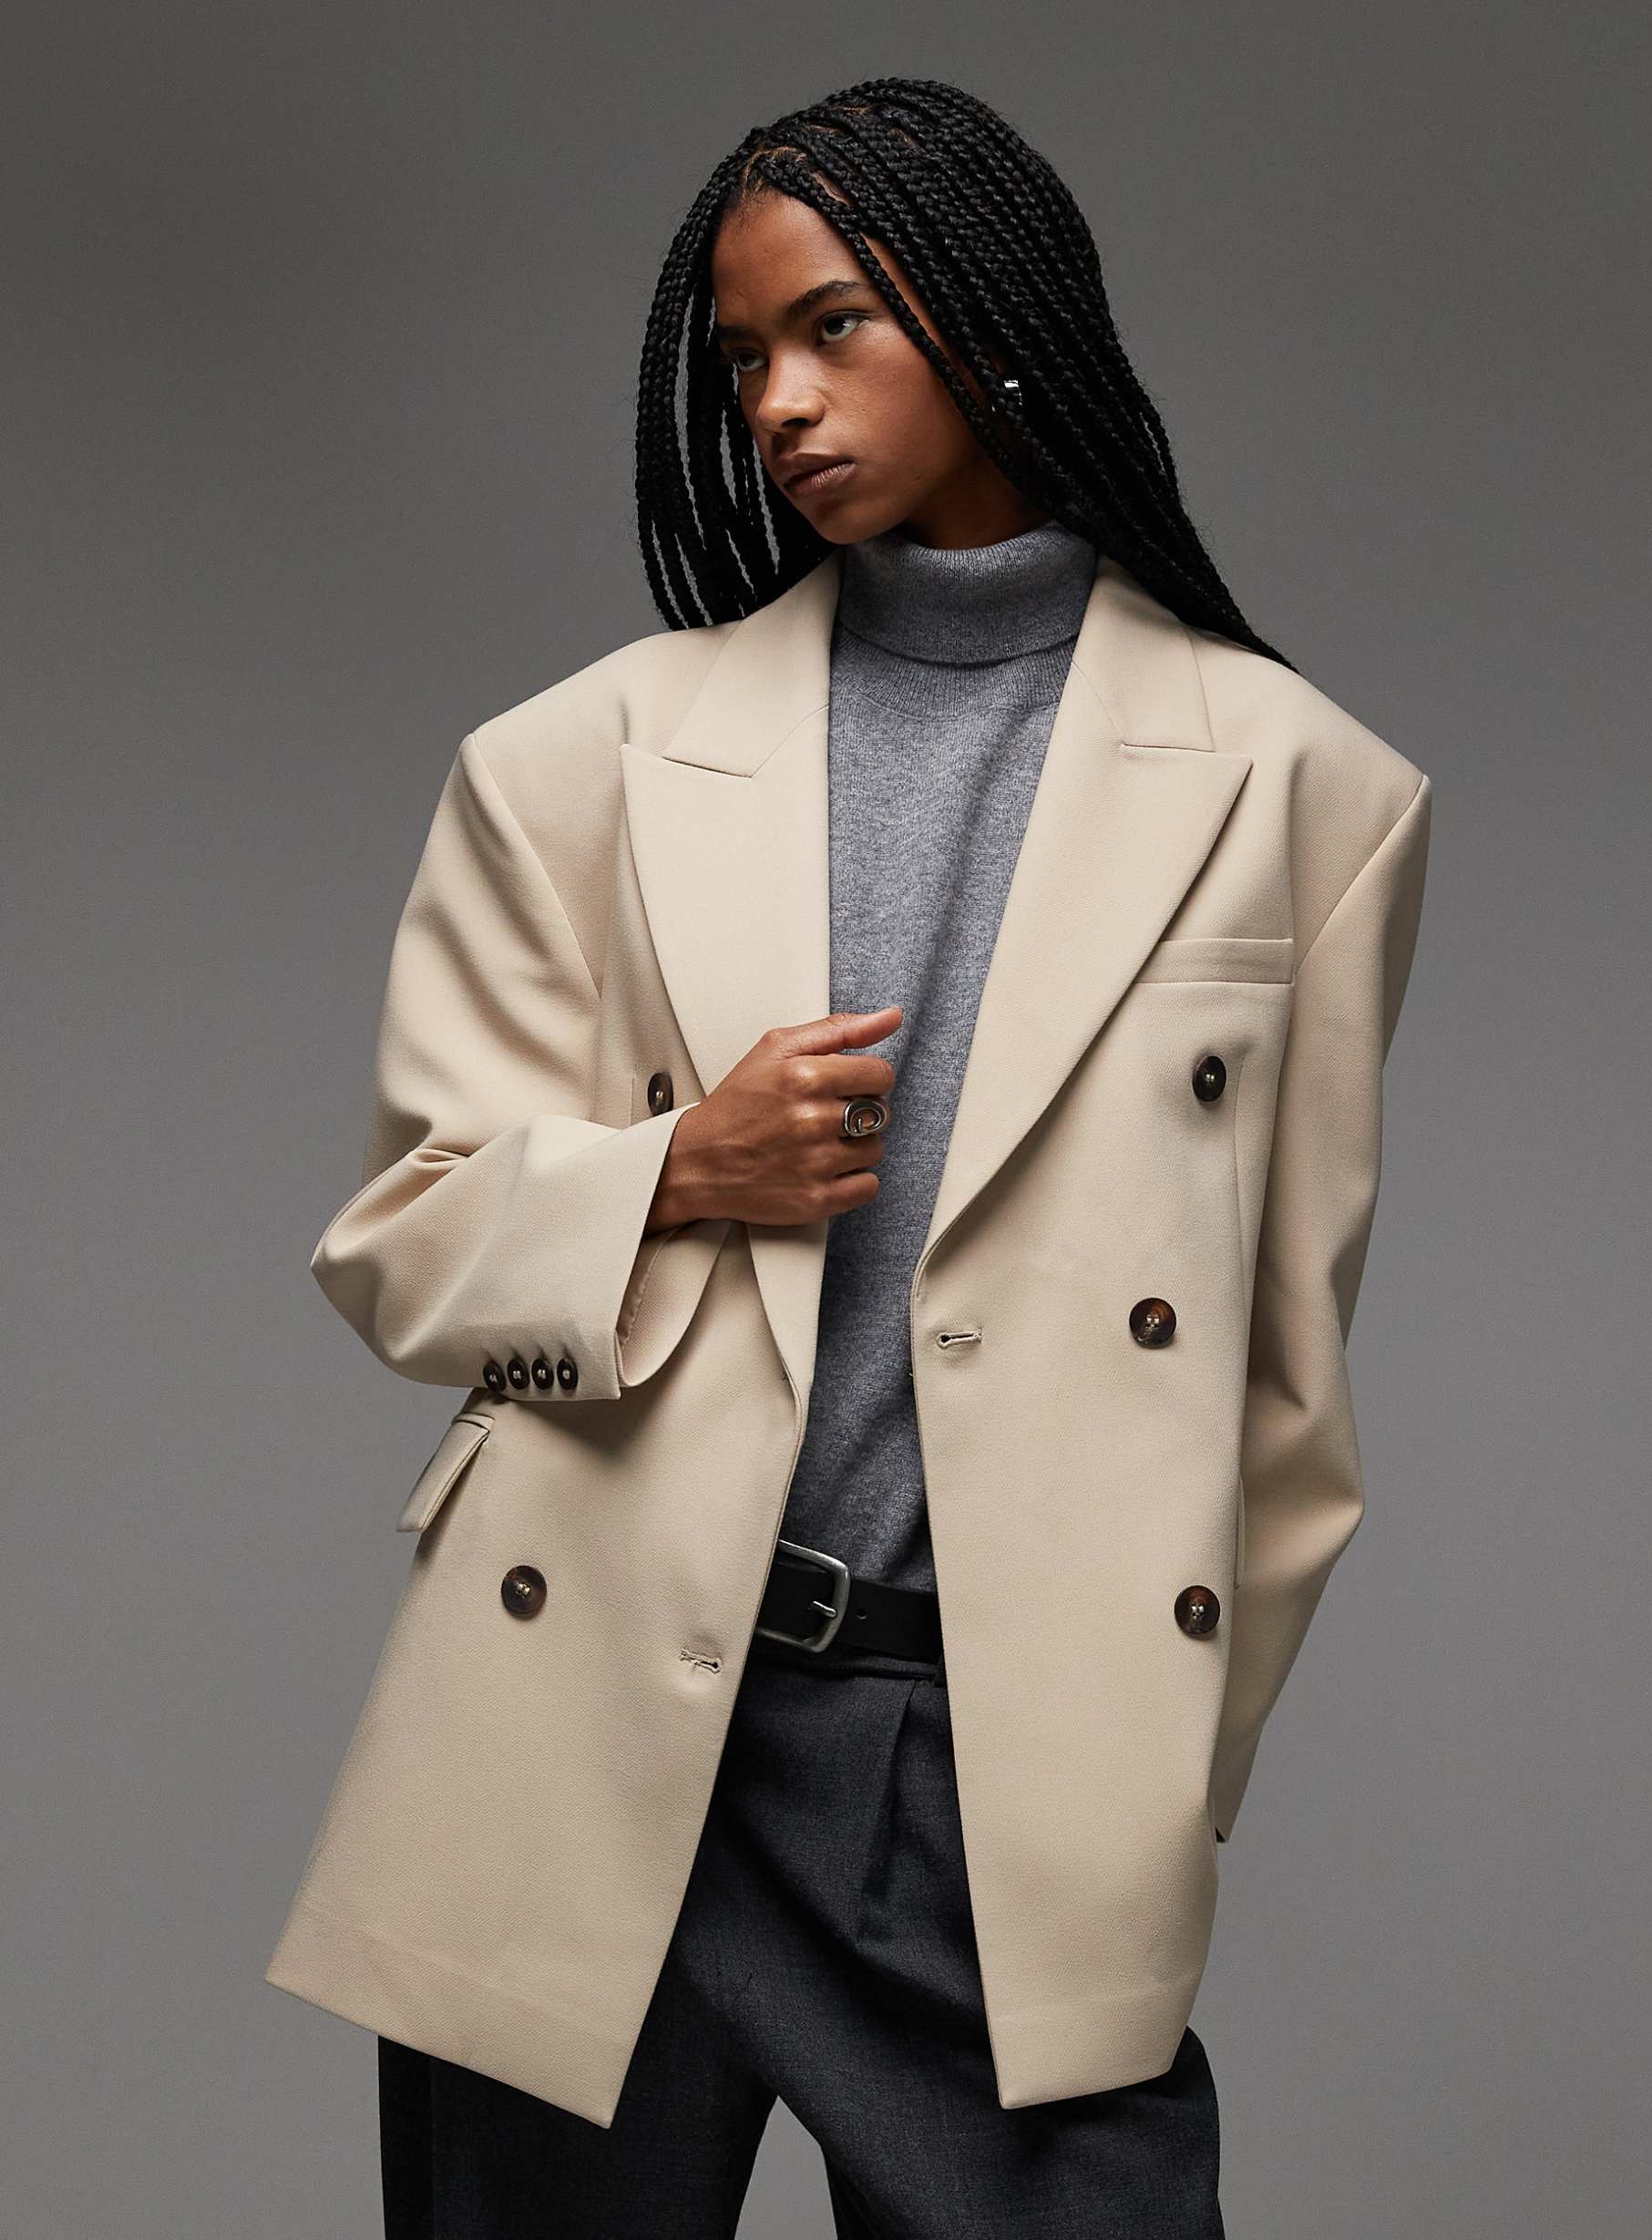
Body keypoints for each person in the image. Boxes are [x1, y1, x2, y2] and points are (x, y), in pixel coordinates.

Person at [266, 75, 1433, 2240]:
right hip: (590, 1718)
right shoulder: (580, 760)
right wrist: (677, 1167)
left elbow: (1286, 1390)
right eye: (742, 359)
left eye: (833, 327)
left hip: (983, 1759)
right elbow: (401, 1252)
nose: (779, 404)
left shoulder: (1303, 791)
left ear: (993, 312)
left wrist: (1147, 1762)